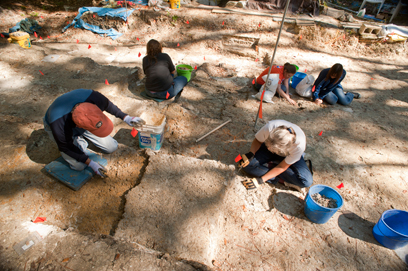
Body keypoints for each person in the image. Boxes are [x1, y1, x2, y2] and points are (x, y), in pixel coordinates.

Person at [43, 89, 145, 177]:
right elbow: (65, 146)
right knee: (79, 166)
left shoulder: (92, 97)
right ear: (79, 126)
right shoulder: (58, 124)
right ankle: (77, 139)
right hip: (60, 125)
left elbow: (108, 105)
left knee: (111, 147)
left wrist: (126, 117)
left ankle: (79, 137)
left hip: (80, 121)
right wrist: (91, 163)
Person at [237, 119, 313, 192]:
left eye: (272, 148)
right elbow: (258, 140)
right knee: (246, 165)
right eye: (268, 144)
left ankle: (272, 167)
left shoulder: (298, 147)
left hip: (288, 155)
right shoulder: (270, 127)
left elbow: (282, 167)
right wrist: (251, 153)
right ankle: (278, 174)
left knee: (306, 181)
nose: (269, 148)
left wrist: (261, 180)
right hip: (274, 149)